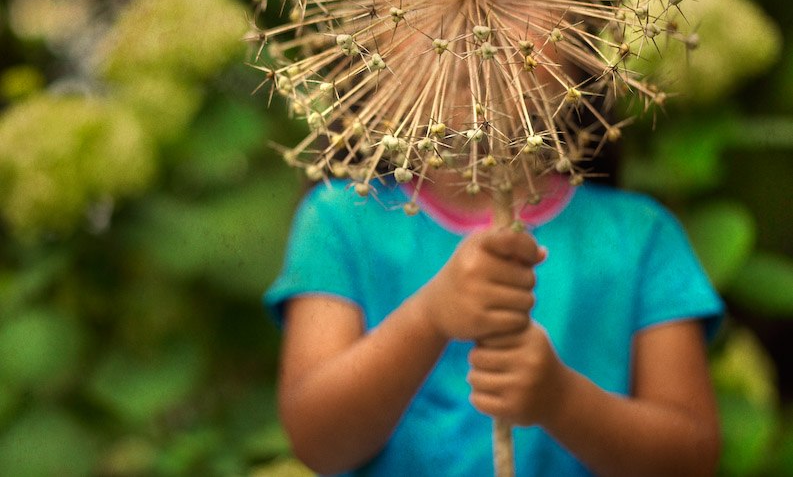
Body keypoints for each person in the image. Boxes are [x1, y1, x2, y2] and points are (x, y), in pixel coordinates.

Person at [265, 164, 724, 476]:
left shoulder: (642, 235)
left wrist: (562, 401)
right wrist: (428, 318)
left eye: (519, 11)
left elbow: (691, 458)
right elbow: (318, 443)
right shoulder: (339, 219)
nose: (472, 19)